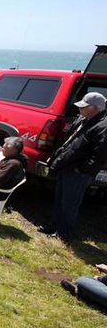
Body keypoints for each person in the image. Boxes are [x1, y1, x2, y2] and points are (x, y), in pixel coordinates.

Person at [40, 92, 107, 240]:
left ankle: (63, 234)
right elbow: (70, 143)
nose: (80, 110)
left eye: (84, 107)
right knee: (60, 199)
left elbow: (99, 155)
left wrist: (81, 169)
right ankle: (54, 225)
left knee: (70, 204)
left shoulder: (102, 126)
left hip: (78, 173)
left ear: (95, 108)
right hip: (67, 167)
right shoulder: (84, 120)